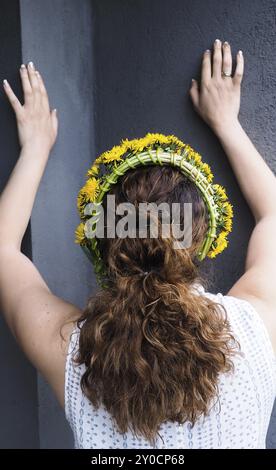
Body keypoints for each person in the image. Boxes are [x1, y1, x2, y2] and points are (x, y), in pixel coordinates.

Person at [0, 38, 275, 449]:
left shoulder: (74, 354)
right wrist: (227, 124)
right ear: (200, 240)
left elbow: (3, 249)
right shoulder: (251, 331)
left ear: (105, 243)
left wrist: (36, 149)